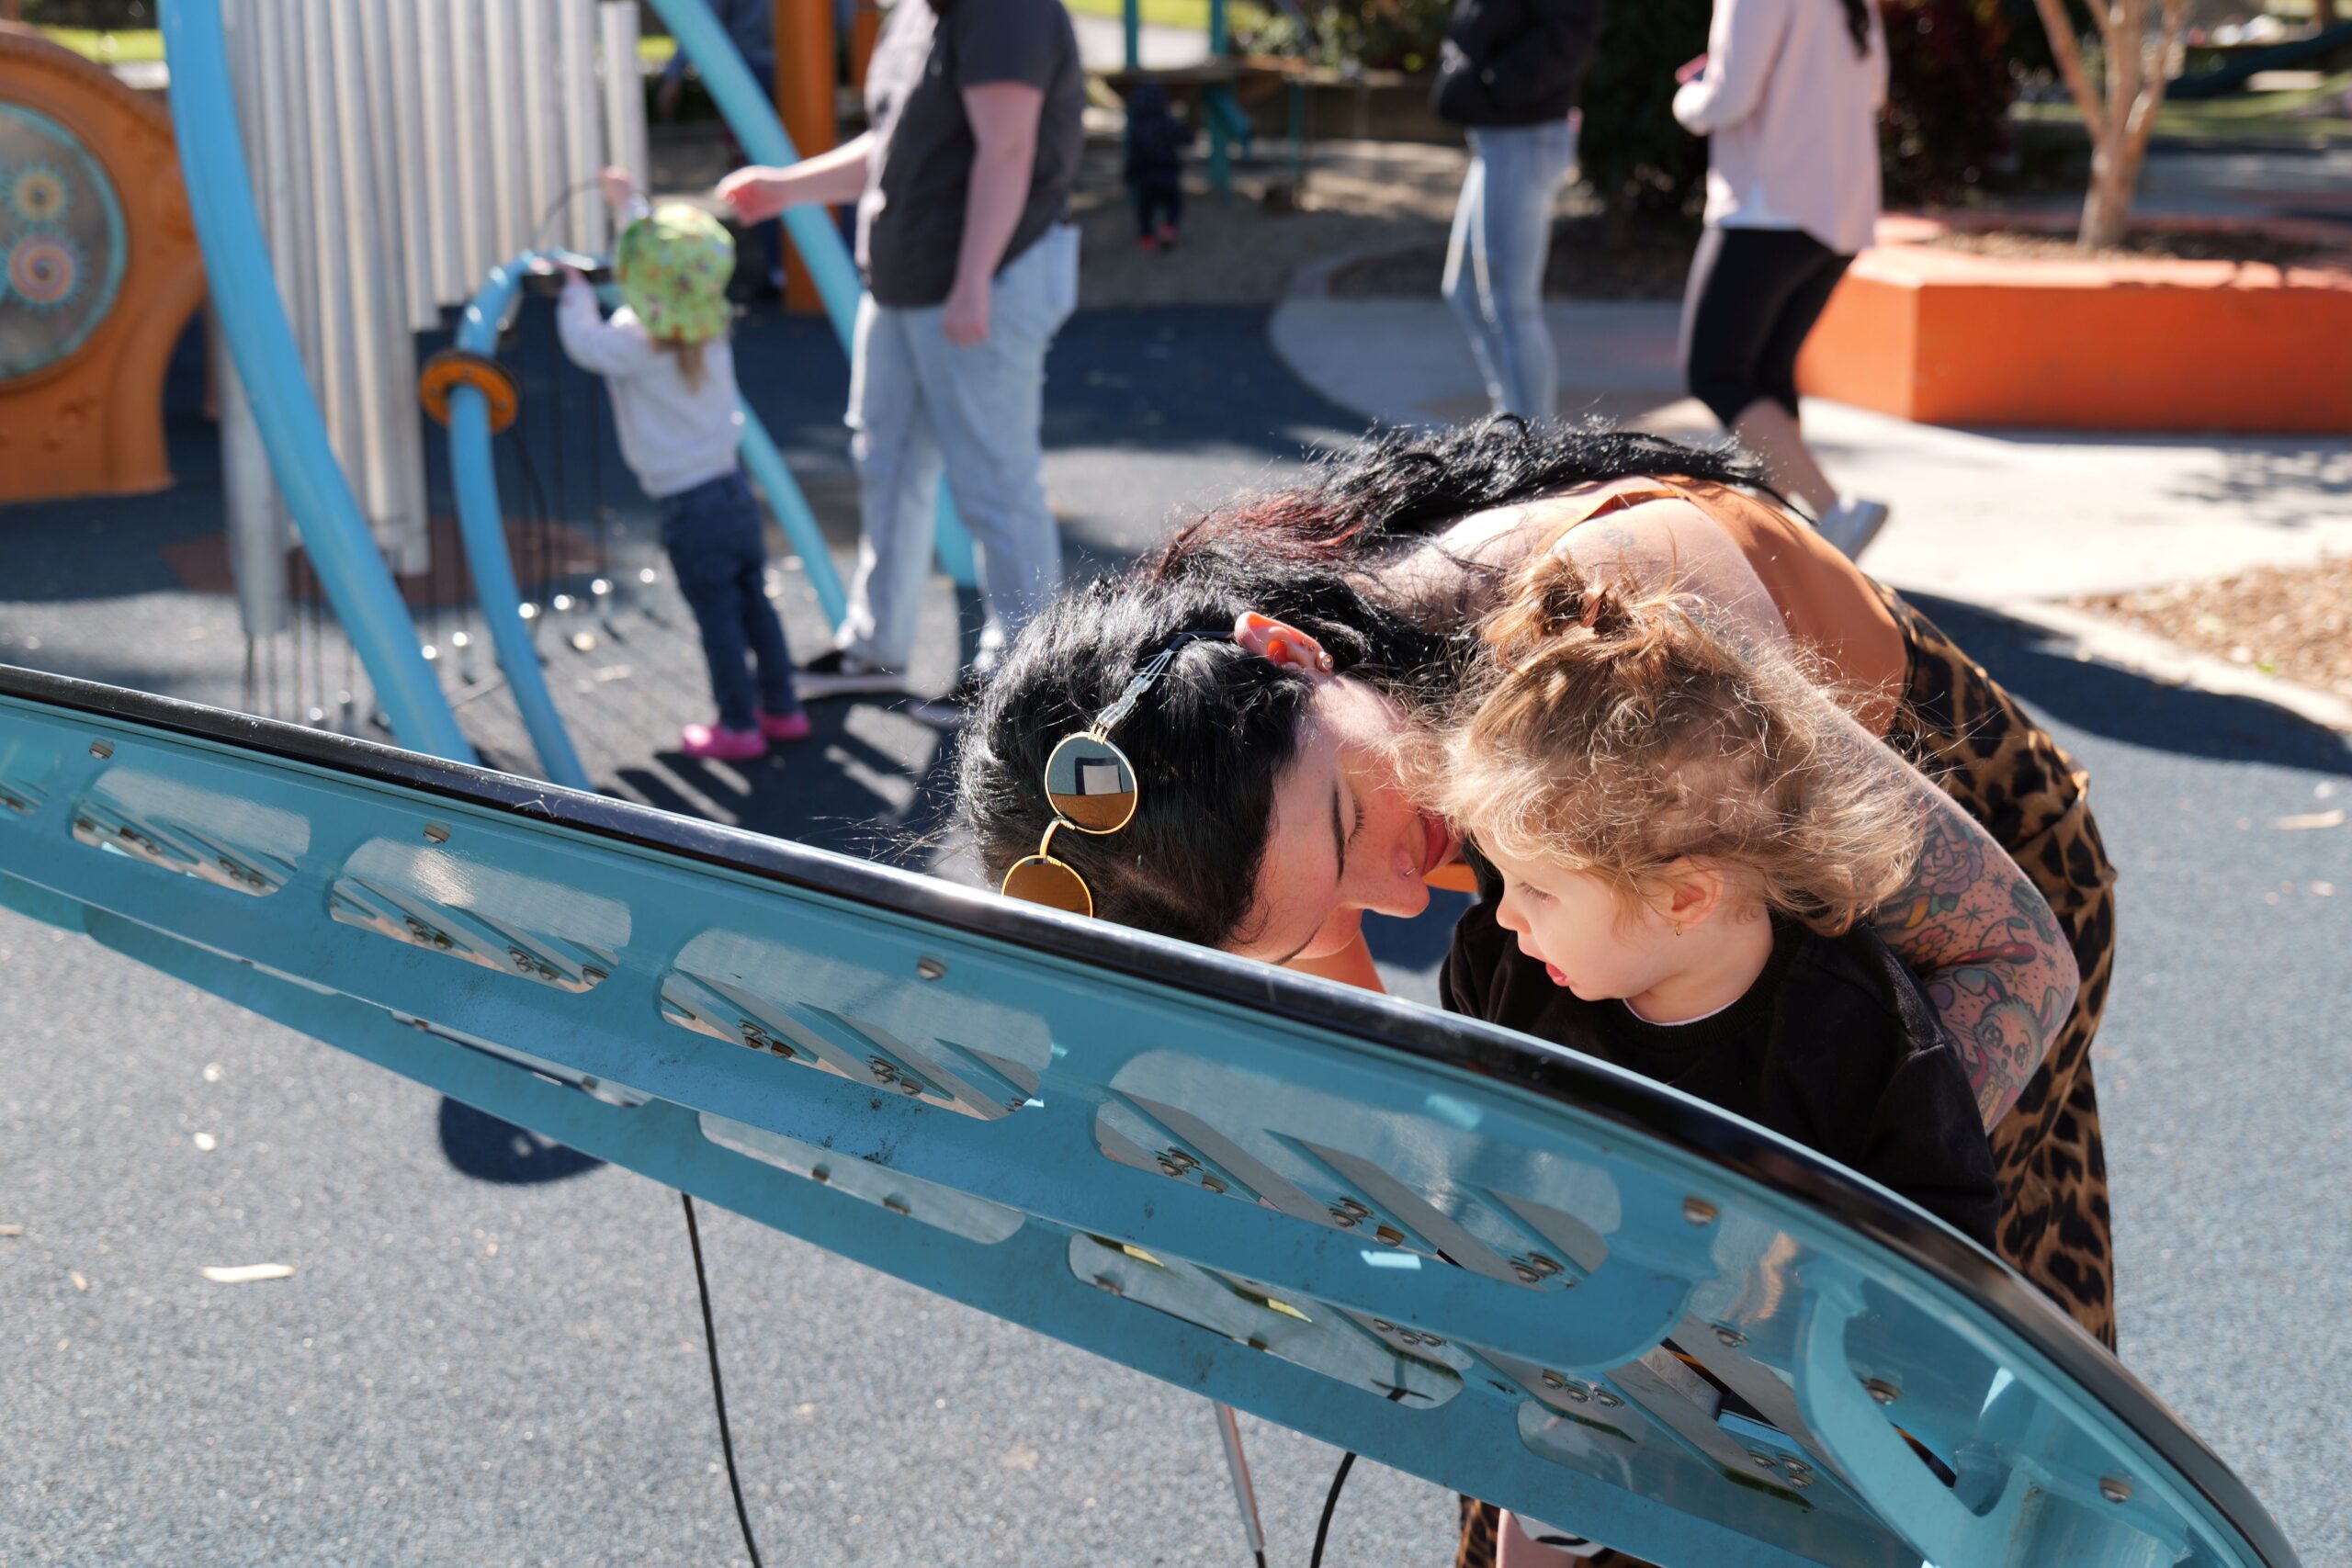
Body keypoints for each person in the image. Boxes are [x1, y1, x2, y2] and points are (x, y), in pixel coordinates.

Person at [963, 424, 2113, 1568]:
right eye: (1317, 916)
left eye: (1352, 825)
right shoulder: (1274, 830)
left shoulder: (1612, 627)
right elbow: (1406, 1112)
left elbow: (2011, 962)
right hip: (1606, 924)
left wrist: (1786, 1253)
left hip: (1949, 917)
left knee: (1958, 1423)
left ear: (1289, 650)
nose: (1401, 897)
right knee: (1558, 1408)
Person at [1426, 551, 2001, 1247]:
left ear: (1685, 898)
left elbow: (1941, 1242)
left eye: (1540, 890)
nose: (1503, 913)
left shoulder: (1861, 1040)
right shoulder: (1498, 965)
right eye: (1504, 876)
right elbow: (1464, 1152)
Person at [717, 0, 1085, 709]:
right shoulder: (913, 14)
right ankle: (874, 645)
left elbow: (1007, 149)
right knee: (886, 461)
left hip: (983, 282)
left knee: (994, 476)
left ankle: (1023, 668)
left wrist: (973, 281)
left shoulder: (1006, 12)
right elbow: (893, 144)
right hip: (905, 282)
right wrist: (787, 188)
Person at [557, 172, 808, 761]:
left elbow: (584, 342)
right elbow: (670, 264)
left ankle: (739, 726)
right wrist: (631, 207)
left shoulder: (635, 340)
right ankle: (782, 708)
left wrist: (573, 292)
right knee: (754, 603)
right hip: (734, 493)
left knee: (718, 620)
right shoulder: (710, 325)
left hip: (689, 509)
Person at [1672, 0, 1893, 559]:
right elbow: (1873, 90)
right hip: (1838, 214)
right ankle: (1775, 531)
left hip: (1769, 207)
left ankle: (1835, 511)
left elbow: (1729, 99)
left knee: (1716, 373)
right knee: (1765, 377)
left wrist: (1689, 97)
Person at [1431, 0, 1604, 422]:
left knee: (1512, 305)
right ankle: (1513, 422)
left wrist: (1493, 85)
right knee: (1465, 290)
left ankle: (1533, 440)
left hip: (1524, 134)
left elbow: (1572, 30)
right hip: (1498, 135)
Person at [1123, 82, 1192, 253]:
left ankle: (1146, 237)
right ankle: (1169, 227)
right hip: (1169, 175)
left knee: (1145, 210)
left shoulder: (1136, 129)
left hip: (1146, 178)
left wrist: (1129, 177)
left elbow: (1133, 157)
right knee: (1174, 205)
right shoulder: (1168, 123)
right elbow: (1187, 138)